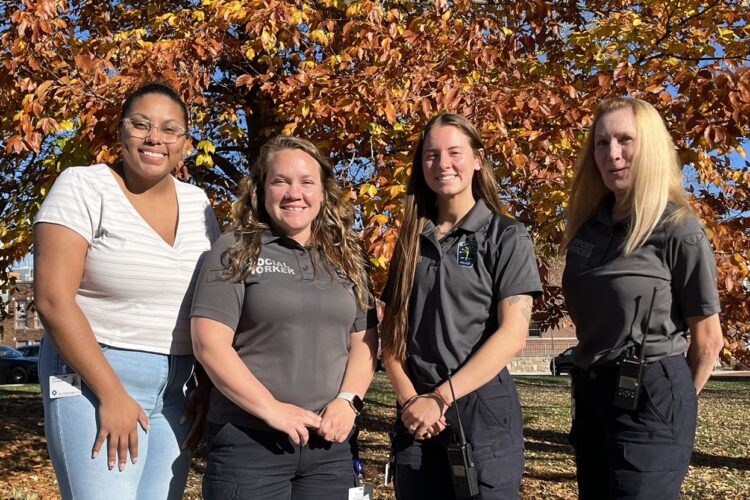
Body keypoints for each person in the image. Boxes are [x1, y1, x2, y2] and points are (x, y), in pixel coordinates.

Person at [34, 82, 220, 500]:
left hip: (178, 387)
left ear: (185, 144)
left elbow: (212, 301)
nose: (155, 138)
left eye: (170, 129)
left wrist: (208, 383)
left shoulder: (199, 204)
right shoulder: (83, 186)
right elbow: (51, 300)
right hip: (93, 378)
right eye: (141, 125)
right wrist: (111, 393)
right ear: (121, 133)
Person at [190, 135, 379, 499]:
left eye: (307, 182)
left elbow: (364, 341)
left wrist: (348, 400)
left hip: (330, 446)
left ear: (323, 192)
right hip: (250, 442)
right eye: (280, 181)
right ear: (261, 190)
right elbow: (209, 343)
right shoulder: (235, 249)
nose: (295, 193)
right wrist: (272, 410)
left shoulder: (347, 258)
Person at [562, 97, 724, 499]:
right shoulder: (589, 228)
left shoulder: (678, 230)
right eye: (601, 143)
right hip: (592, 392)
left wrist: (669, 408)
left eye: (624, 140)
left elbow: (708, 342)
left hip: (652, 394)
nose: (612, 154)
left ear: (649, 147)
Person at [381, 113, 542, 499]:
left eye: (455, 152)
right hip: (417, 415)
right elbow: (391, 335)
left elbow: (514, 335)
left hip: (481, 409)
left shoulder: (506, 236)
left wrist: (442, 397)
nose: (443, 164)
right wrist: (411, 401)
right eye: (432, 155)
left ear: (478, 159)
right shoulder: (409, 239)